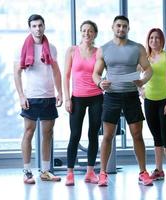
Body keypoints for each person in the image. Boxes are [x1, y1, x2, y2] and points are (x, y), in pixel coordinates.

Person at [92, 15, 153, 187]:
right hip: (111, 95)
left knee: (137, 135)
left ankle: (143, 172)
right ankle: (103, 173)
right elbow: (95, 73)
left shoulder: (138, 48)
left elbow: (148, 70)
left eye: (124, 26)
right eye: (118, 26)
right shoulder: (104, 49)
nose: (121, 29)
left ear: (128, 28)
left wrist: (142, 81)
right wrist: (99, 83)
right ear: (113, 27)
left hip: (131, 95)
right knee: (108, 136)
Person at [14, 14, 63, 184]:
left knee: (47, 134)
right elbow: (17, 73)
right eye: (34, 26)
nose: (38, 29)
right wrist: (21, 96)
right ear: (30, 28)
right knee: (28, 133)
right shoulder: (22, 48)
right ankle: (27, 171)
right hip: (31, 97)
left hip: (48, 96)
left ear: (44, 26)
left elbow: (56, 71)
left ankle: (45, 171)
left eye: (40, 25)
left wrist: (60, 93)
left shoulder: (52, 48)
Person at [63, 20, 103, 186]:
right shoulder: (72, 50)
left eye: (90, 31)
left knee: (93, 134)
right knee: (75, 134)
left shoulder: (99, 51)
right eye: (84, 30)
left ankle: (90, 171)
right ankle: (70, 172)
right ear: (81, 32)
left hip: (96, 97)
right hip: (77, 97)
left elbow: (101, 73)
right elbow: (66, 76)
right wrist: (66, 98)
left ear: (95, 34)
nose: (87, 33)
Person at [142, 28, 166, 183]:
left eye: (157, 38)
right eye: (151, 38)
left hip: (165, 101)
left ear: (162, 40)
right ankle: (159, 170)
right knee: (156, 137)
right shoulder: (145, 58)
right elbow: (135, 73)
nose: (154, 41)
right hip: (149, 101)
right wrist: (140, 90)